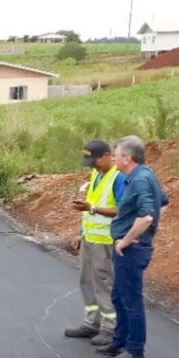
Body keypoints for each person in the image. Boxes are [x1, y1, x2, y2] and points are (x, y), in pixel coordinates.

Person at [97, 136, 168, 358]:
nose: (114, 157)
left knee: (131, 300)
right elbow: (163, 202)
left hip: (130, 250)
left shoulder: (140, 180)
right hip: (128, 249)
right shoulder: (138, 176)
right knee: (119, 296)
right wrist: (149, 228)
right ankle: (120, 342)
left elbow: (147, 215)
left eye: (117, 154)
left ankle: (135, 350)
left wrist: (129, 239)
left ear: (127, 157)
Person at [64, 140, 125, 345]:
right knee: (86, 281)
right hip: (90, 239)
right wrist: (80, 233)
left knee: (104, 284)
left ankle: (110, 328)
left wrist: (90, 209)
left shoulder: (118, 178)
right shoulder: (96, 174)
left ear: (107, 155)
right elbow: (91, 206)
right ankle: (92, 323)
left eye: (95, 161)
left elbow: (122, 210)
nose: (93, 166)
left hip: (105, 241)